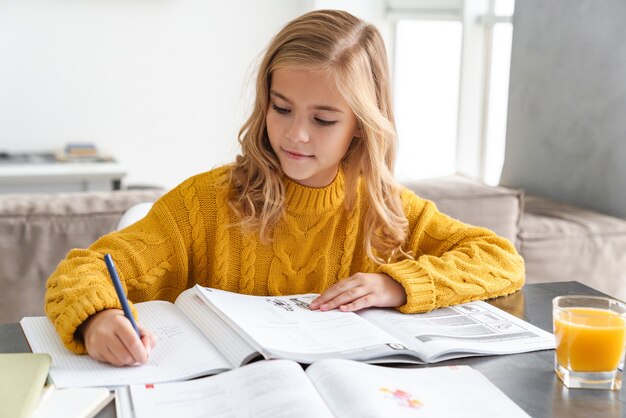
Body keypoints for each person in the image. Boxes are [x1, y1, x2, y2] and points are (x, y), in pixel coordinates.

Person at [44, 9, 525, 367]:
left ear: (360, 125)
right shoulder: (203, 205)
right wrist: (97, 320)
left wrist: (396, 284)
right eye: (281, 108)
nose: (296, 134)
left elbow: (501, 259)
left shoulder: (388, 212)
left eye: (323, 119)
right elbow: (82, 271)